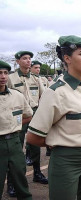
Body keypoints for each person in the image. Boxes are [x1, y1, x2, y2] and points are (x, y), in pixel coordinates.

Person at [26, 35, 81, 200]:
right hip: (66, 159)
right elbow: (33, 137)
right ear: (67, 58)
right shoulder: (55, 92)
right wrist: (60, 144)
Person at [7, 51, 47, 196]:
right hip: (18, 116)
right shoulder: (10, 78)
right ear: (18, 61)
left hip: (35, 114)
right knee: (15, 150)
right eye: (24, 59)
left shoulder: (36, 79)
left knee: (35, 146)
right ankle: (11, 183)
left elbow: (43, 96)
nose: (28, 61)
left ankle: (37, 173)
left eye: (30, 58)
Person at [0, 60, 33, 200]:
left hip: (14, 143)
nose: (3, 76)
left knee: (20, 179)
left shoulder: (17, 96)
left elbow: (28, 115)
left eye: (5, 73)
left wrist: (16, 126)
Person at [30, 60, 52, 156]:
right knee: (32, 133)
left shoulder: (43, 79)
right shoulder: (29, 79)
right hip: (31, 108)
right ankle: (29, 155)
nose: (38, 70)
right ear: (31, 68)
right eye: (35, 68)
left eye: (39, 68)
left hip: (41, 107)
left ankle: (48, 149)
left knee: (46, 130)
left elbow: (47, 92)